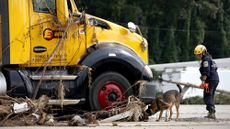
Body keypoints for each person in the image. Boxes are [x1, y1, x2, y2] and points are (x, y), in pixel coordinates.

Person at [194, 44, 219, 119]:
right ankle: (211, 113)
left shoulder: (205, 60)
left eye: (199, 54)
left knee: (207, 96)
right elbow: (215, 68)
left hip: (209, 81)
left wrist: (203, 82)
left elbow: (206, 72)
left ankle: (212, 113)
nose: (198, 56)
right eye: (197, 54)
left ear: (203, 52)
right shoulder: (210, 59)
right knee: (210, 96)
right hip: (215, 79)